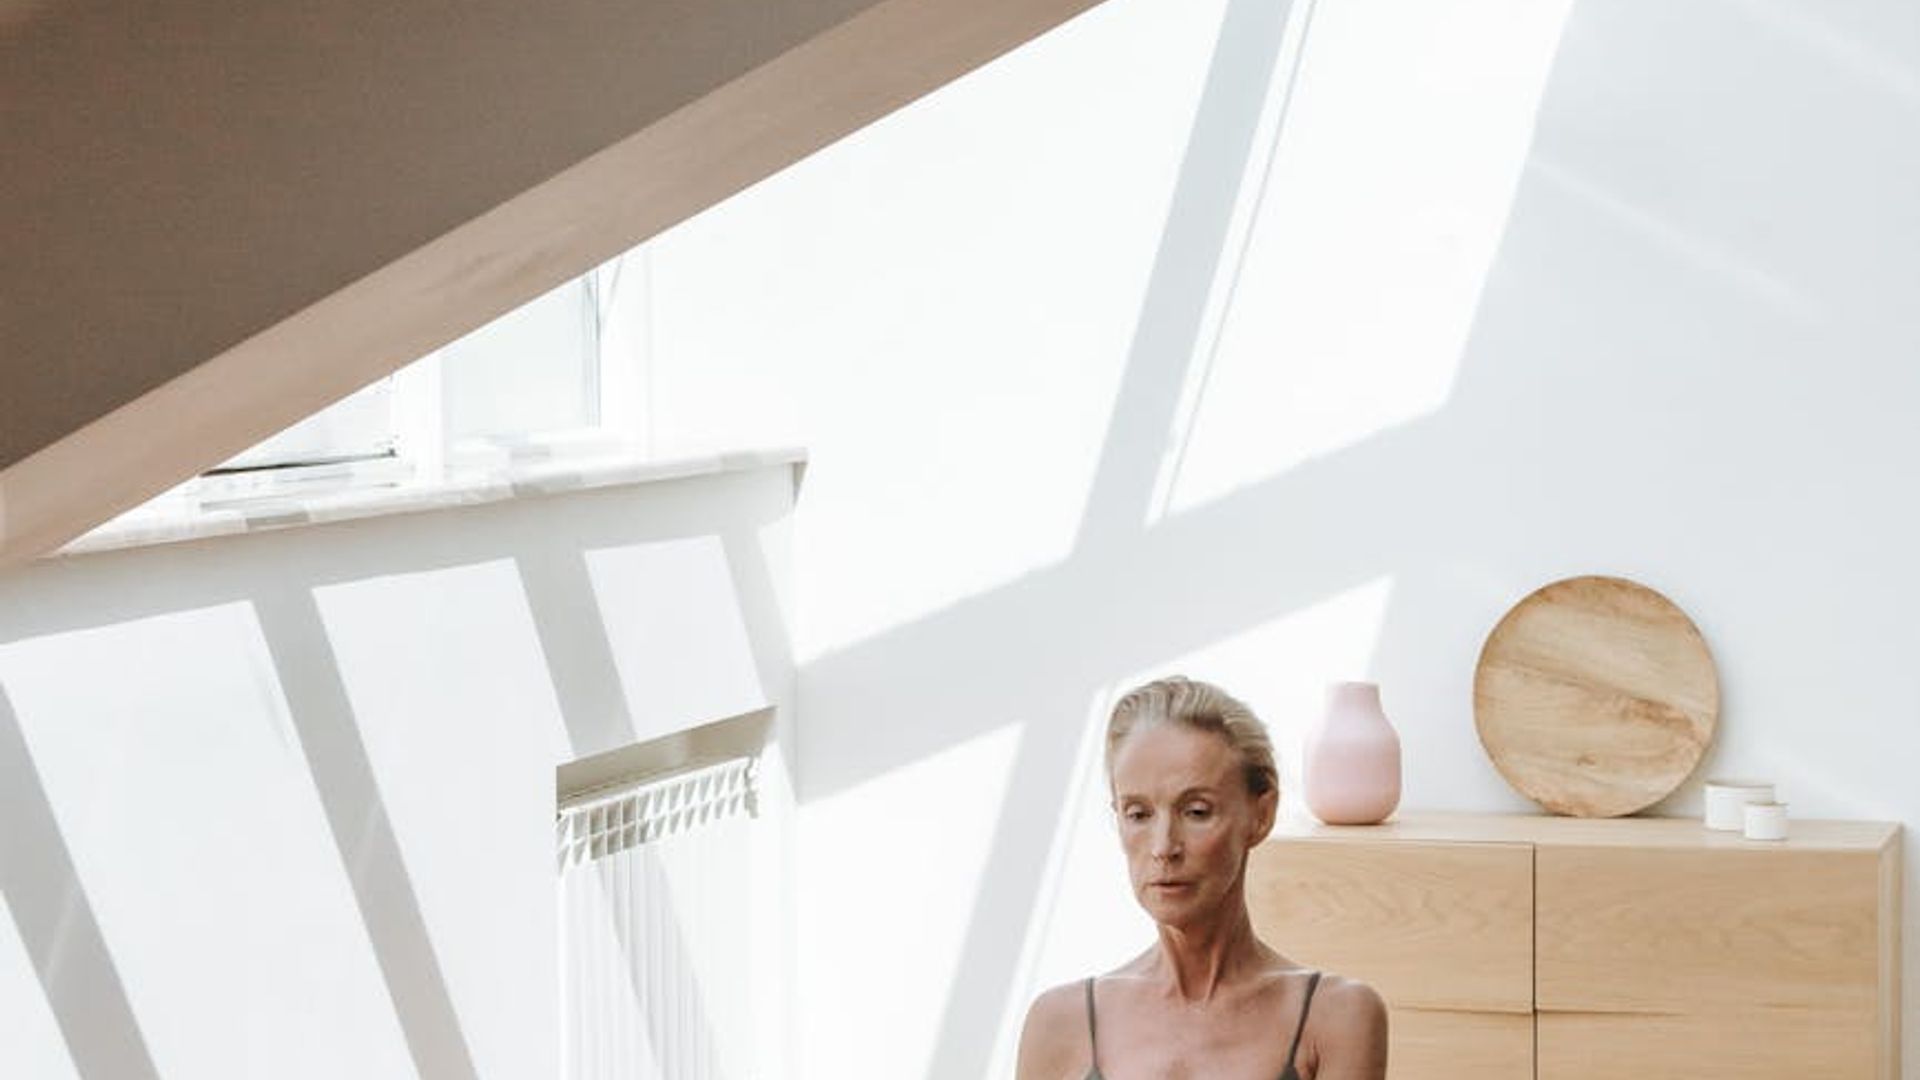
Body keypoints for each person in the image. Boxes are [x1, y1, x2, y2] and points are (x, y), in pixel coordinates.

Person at [1015, 676, 1388, 1080]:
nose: (1163, 847)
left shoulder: (1333, 1017)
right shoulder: (1059, 1025)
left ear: (1261, 815)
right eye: (1138, 814)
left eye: (1196, 811)